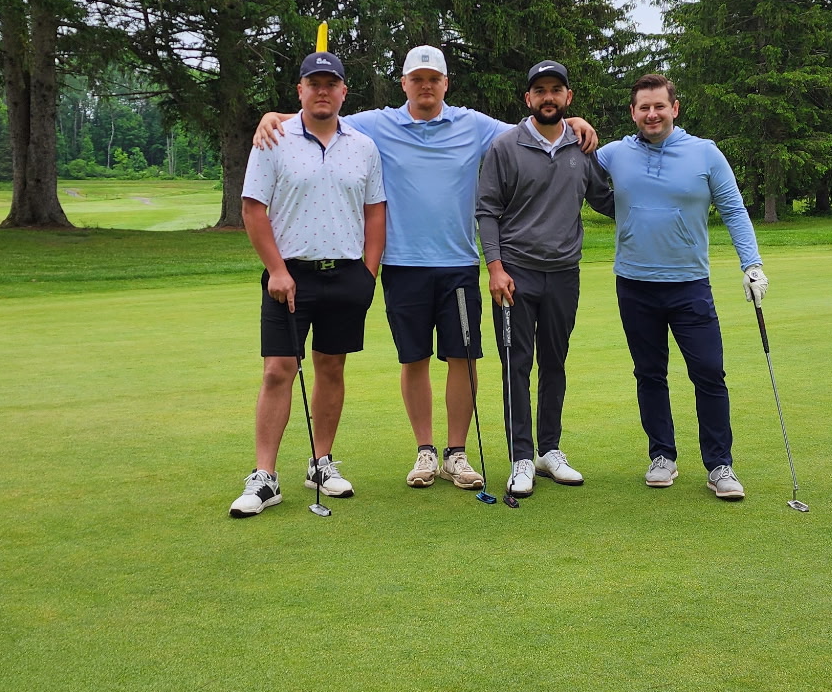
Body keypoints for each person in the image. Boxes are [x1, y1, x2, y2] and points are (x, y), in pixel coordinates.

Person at [254, 46, 596, 491]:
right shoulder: (378, 124)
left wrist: (574, 122)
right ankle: (426, 451)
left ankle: (456, 454)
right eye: (417, 79)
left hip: (458, 263)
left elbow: (533, 129)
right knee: (413, 359)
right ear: (404, 83)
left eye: (434, 79)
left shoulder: (473, 124)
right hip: (402, 264)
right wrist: (275, 116)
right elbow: (323, 116)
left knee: (463, 359)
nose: (426, 86)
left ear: (446, 83)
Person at [594, 73, 770, 501]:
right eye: (644, 107)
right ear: (633, 112)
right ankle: (662, 456)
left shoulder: (705, 153)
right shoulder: (614, 153)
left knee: (709, 372)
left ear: (674, 108)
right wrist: (577, 125)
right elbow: (567, 164)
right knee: (649, 374)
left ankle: (719, 464)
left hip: (689, 285)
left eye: (659, 106)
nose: (652, 114)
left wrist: (752, 264)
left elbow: (734, 209)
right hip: (634, 284)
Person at [229, 50, 387, 518]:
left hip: (347, 274)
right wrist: (277, 270)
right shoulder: (273, 138)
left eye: (330, 84)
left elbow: (375, 212)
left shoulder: (363, 145)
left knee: (331, 368)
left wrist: (369, 272)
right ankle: (264, 476)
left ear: (343, 91)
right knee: (278, 369)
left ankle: (321, 462)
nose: (322, 91)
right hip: (289, 275)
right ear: (299, 90)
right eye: (313, 83)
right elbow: (252, 209)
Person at [474, 60, 615, 497]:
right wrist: (495, 268)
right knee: (516, 365)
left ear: (568, 97)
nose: (548, 97)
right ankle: (521, 457)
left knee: (555, 362)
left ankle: (549, 450)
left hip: (564, 274)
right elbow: (487, 210)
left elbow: (606, 199)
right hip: (515, 275)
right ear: (528, 98)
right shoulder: (505, 146)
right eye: (540, 91)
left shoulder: (582, 146)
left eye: (556, 90)